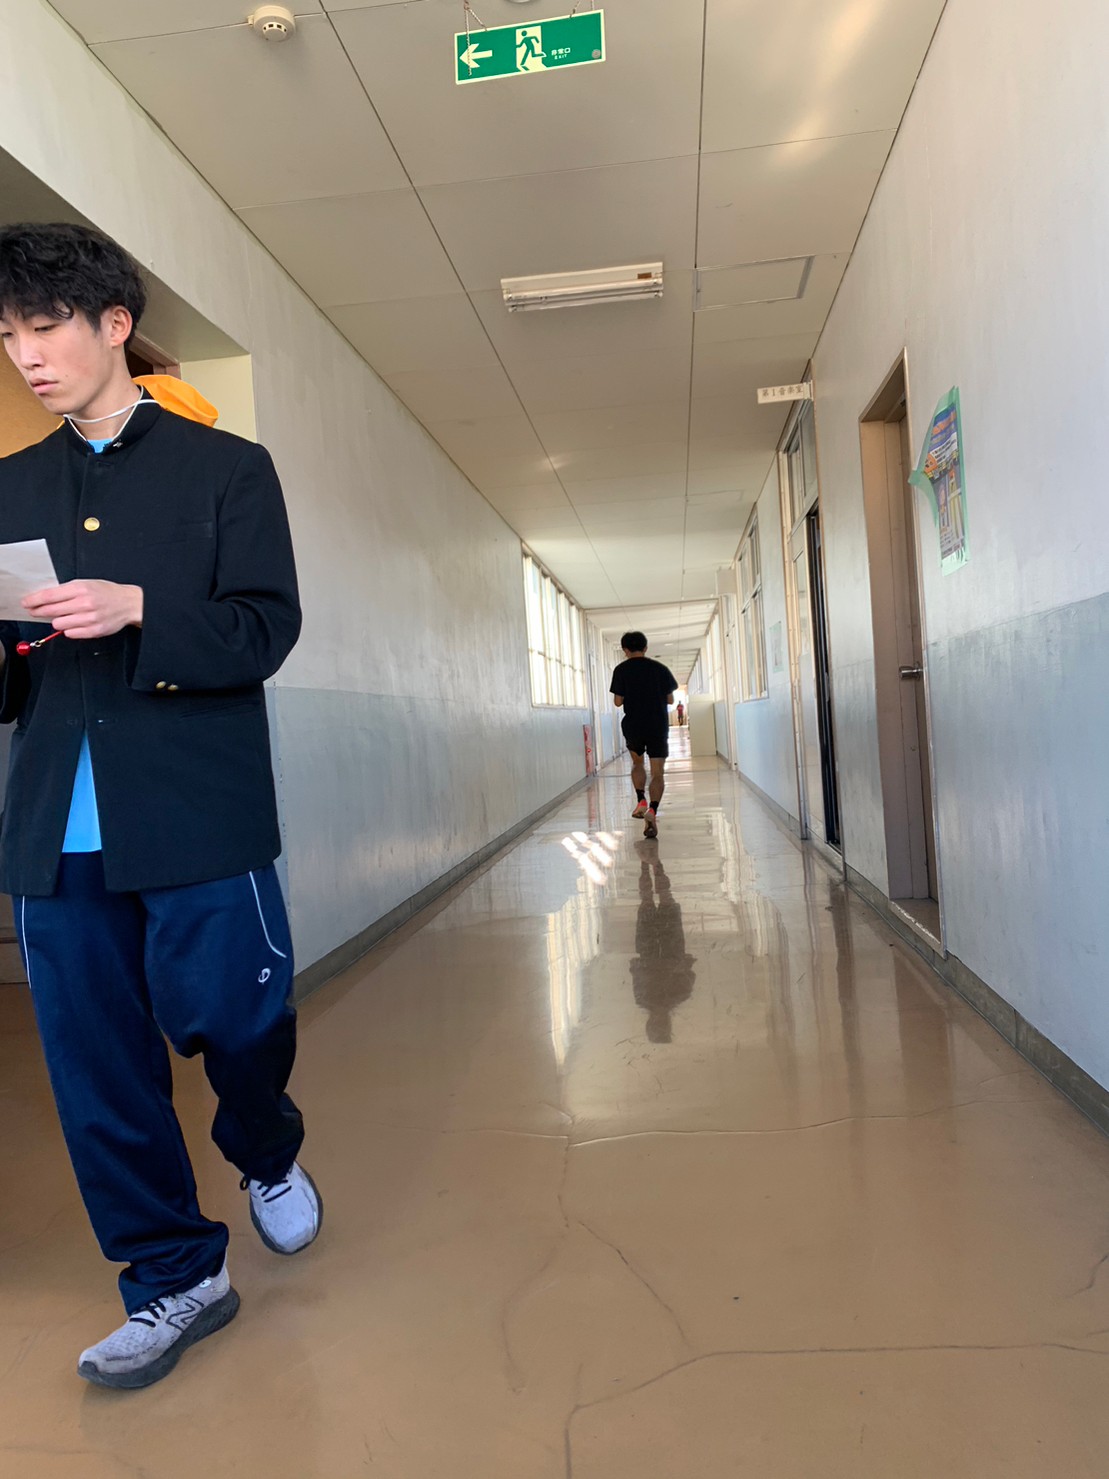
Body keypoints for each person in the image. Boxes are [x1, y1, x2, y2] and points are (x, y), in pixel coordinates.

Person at [0, 222, 320, 1391]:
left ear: (114, 325)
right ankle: (175, 1276)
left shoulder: (228, 470)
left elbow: (263, 631)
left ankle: (265, 1149)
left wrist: (139, 607)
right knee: (97, 1068)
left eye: (45, 328)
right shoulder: (7, 485)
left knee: (239, 1023)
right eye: (8, 335)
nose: (26, 356)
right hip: (57, 830)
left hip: (198, 812)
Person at [610, 631, 677, 839]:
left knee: (637, 764)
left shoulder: (621, 670)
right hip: (657, 725)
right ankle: (653, 810)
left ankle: (641, 799)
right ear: (646, 648)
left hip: (634, 725)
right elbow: (670, 700)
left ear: (625, 650)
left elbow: (618, 702)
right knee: (658, 773)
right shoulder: (660, 669)